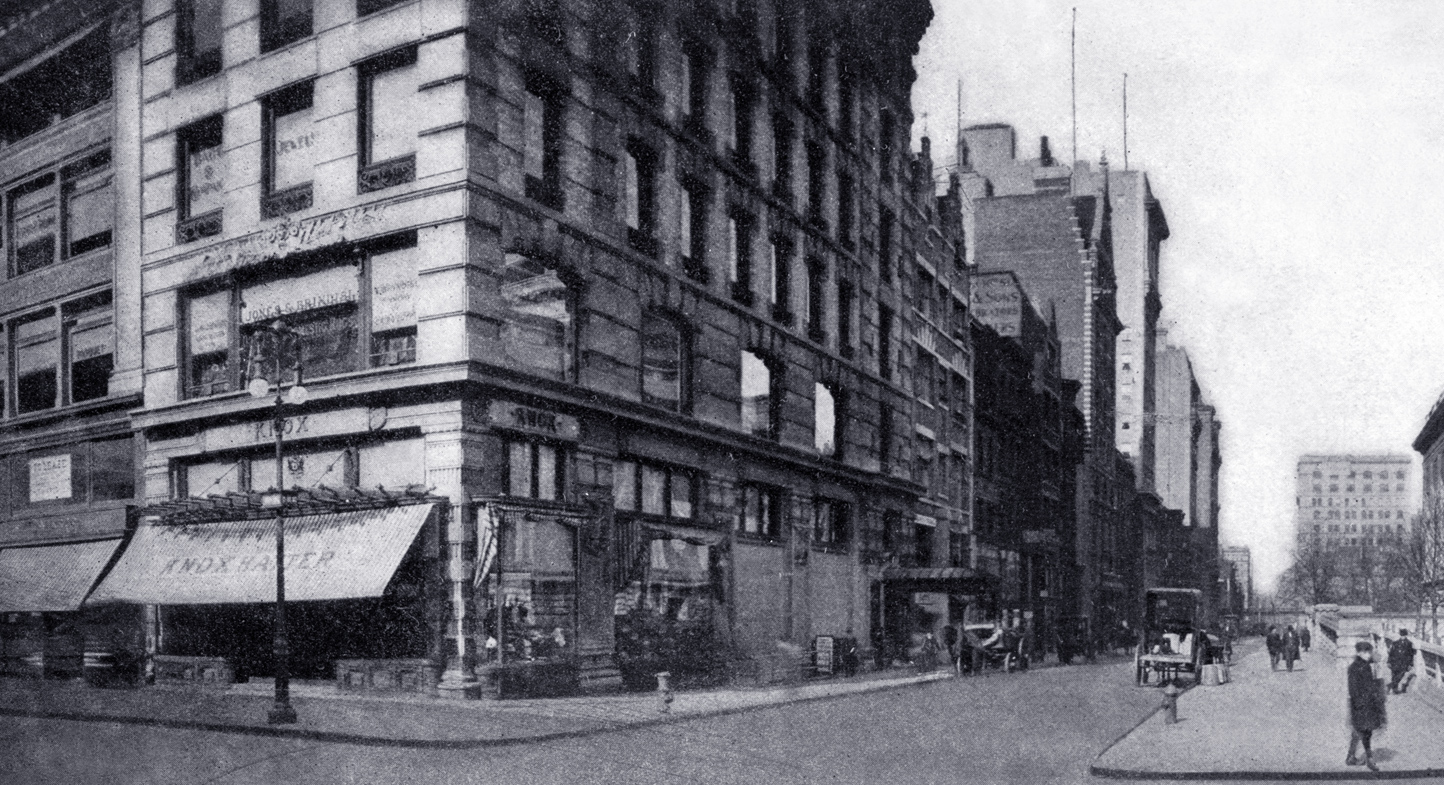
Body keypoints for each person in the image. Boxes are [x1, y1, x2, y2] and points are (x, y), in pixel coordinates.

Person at [1346, 640, 1385, 771]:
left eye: (1369, 652)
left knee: (1359, 732)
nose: (1368, 654)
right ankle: (1370, 760)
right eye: (1365, 652)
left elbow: (1379, 659)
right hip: (1362, 706)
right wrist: (1361, 704)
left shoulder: (1366, 665)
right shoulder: (1355, 667)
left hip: (1367, 704)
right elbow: (1353, 690)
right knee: (1365, 732)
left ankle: (1351, 757)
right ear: (1359, 653)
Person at [1388, 629, 1416, 694]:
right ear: (1400, 635)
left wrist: (1411, 664)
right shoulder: (1395, 643)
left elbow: (1411, 655)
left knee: (1400, 675)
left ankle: (1393, 687)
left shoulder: (1409, 644)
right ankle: (1394, 689)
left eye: (1403, 635)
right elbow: (1391, 653)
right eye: (1401, 635)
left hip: (1404, 663)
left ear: (1406, 635)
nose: (1402, 637)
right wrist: (1388, 662)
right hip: (1394, 662)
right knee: (1394, 676)